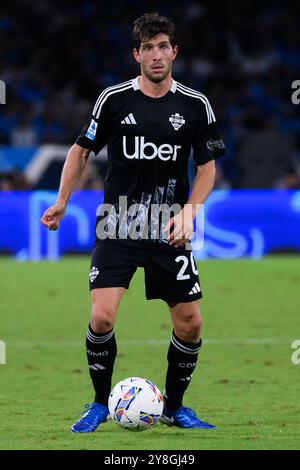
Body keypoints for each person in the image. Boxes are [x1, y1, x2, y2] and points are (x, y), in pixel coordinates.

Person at [41, 12, 225, 432]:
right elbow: (80, 151)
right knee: (102, 317)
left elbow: (207, 168)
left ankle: (175, 407)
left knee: (191, 323)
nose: (156, 55)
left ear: (174, 52)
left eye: (163, 46)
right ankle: (99, 402)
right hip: (118, 223)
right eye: (148, 48)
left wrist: (189, 211)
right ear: (136, 54)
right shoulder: (114, 100)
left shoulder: (195, 105)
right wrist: (62, 201)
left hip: (168, 225)